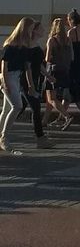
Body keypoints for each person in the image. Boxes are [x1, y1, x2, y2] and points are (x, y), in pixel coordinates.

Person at [0, 17, 37, 154]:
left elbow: (27, 67)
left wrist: (30, 85)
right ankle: (4, 137)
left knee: (6, 109)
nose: (32, 31)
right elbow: (4, 65)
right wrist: (4, 82)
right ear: (25, 28)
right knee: (17, 106)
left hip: (16, 77)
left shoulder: (25, 46)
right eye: (31, 28)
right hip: (8, 76)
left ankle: (1, 136)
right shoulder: (10, 45)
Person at [24, 21, 53, 150]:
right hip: (26, 81)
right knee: (35, 108)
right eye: (40, 28)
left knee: (18, 108)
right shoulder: (28, 46)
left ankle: (3, 130)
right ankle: (40, 138)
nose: (43, 30)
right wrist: (30, 85)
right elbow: (28, 67)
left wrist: (48, 75)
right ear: (34, 31)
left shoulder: (36, 46)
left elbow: (38, 65)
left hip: (35, 80)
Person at [45, 17, 73, 127]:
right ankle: (44, 120)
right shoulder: (68, 40)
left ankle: (67, 116)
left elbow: (47, 58)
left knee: (51, 98)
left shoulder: (52, 40)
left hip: (53, 70)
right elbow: (71, 56)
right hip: (64, 70)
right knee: (51, 99)